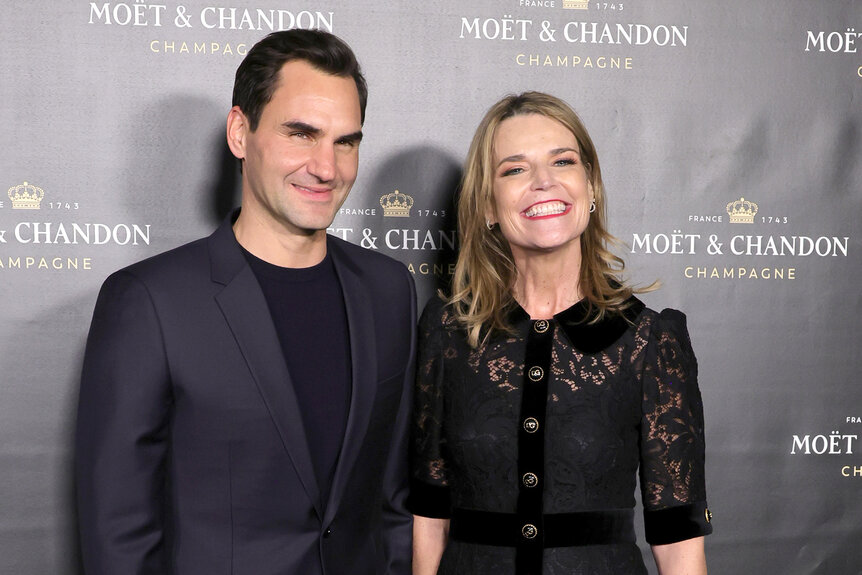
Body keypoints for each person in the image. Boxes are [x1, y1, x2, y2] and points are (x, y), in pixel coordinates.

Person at [75, 30, 415, 575]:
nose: (327, 167)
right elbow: (119, 533)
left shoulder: (388, 289)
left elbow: (396, 499)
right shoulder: (148, 302)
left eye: (345, 141)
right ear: (240, 132)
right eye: (301, 134)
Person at [409, 92, 711, 575]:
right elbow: (430, 514)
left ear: (589, 187)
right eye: (514, 170)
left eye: (562, 161)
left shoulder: (650, 340)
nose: (543, 182)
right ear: (488, 203)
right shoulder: (447, 332)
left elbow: (679, 542)